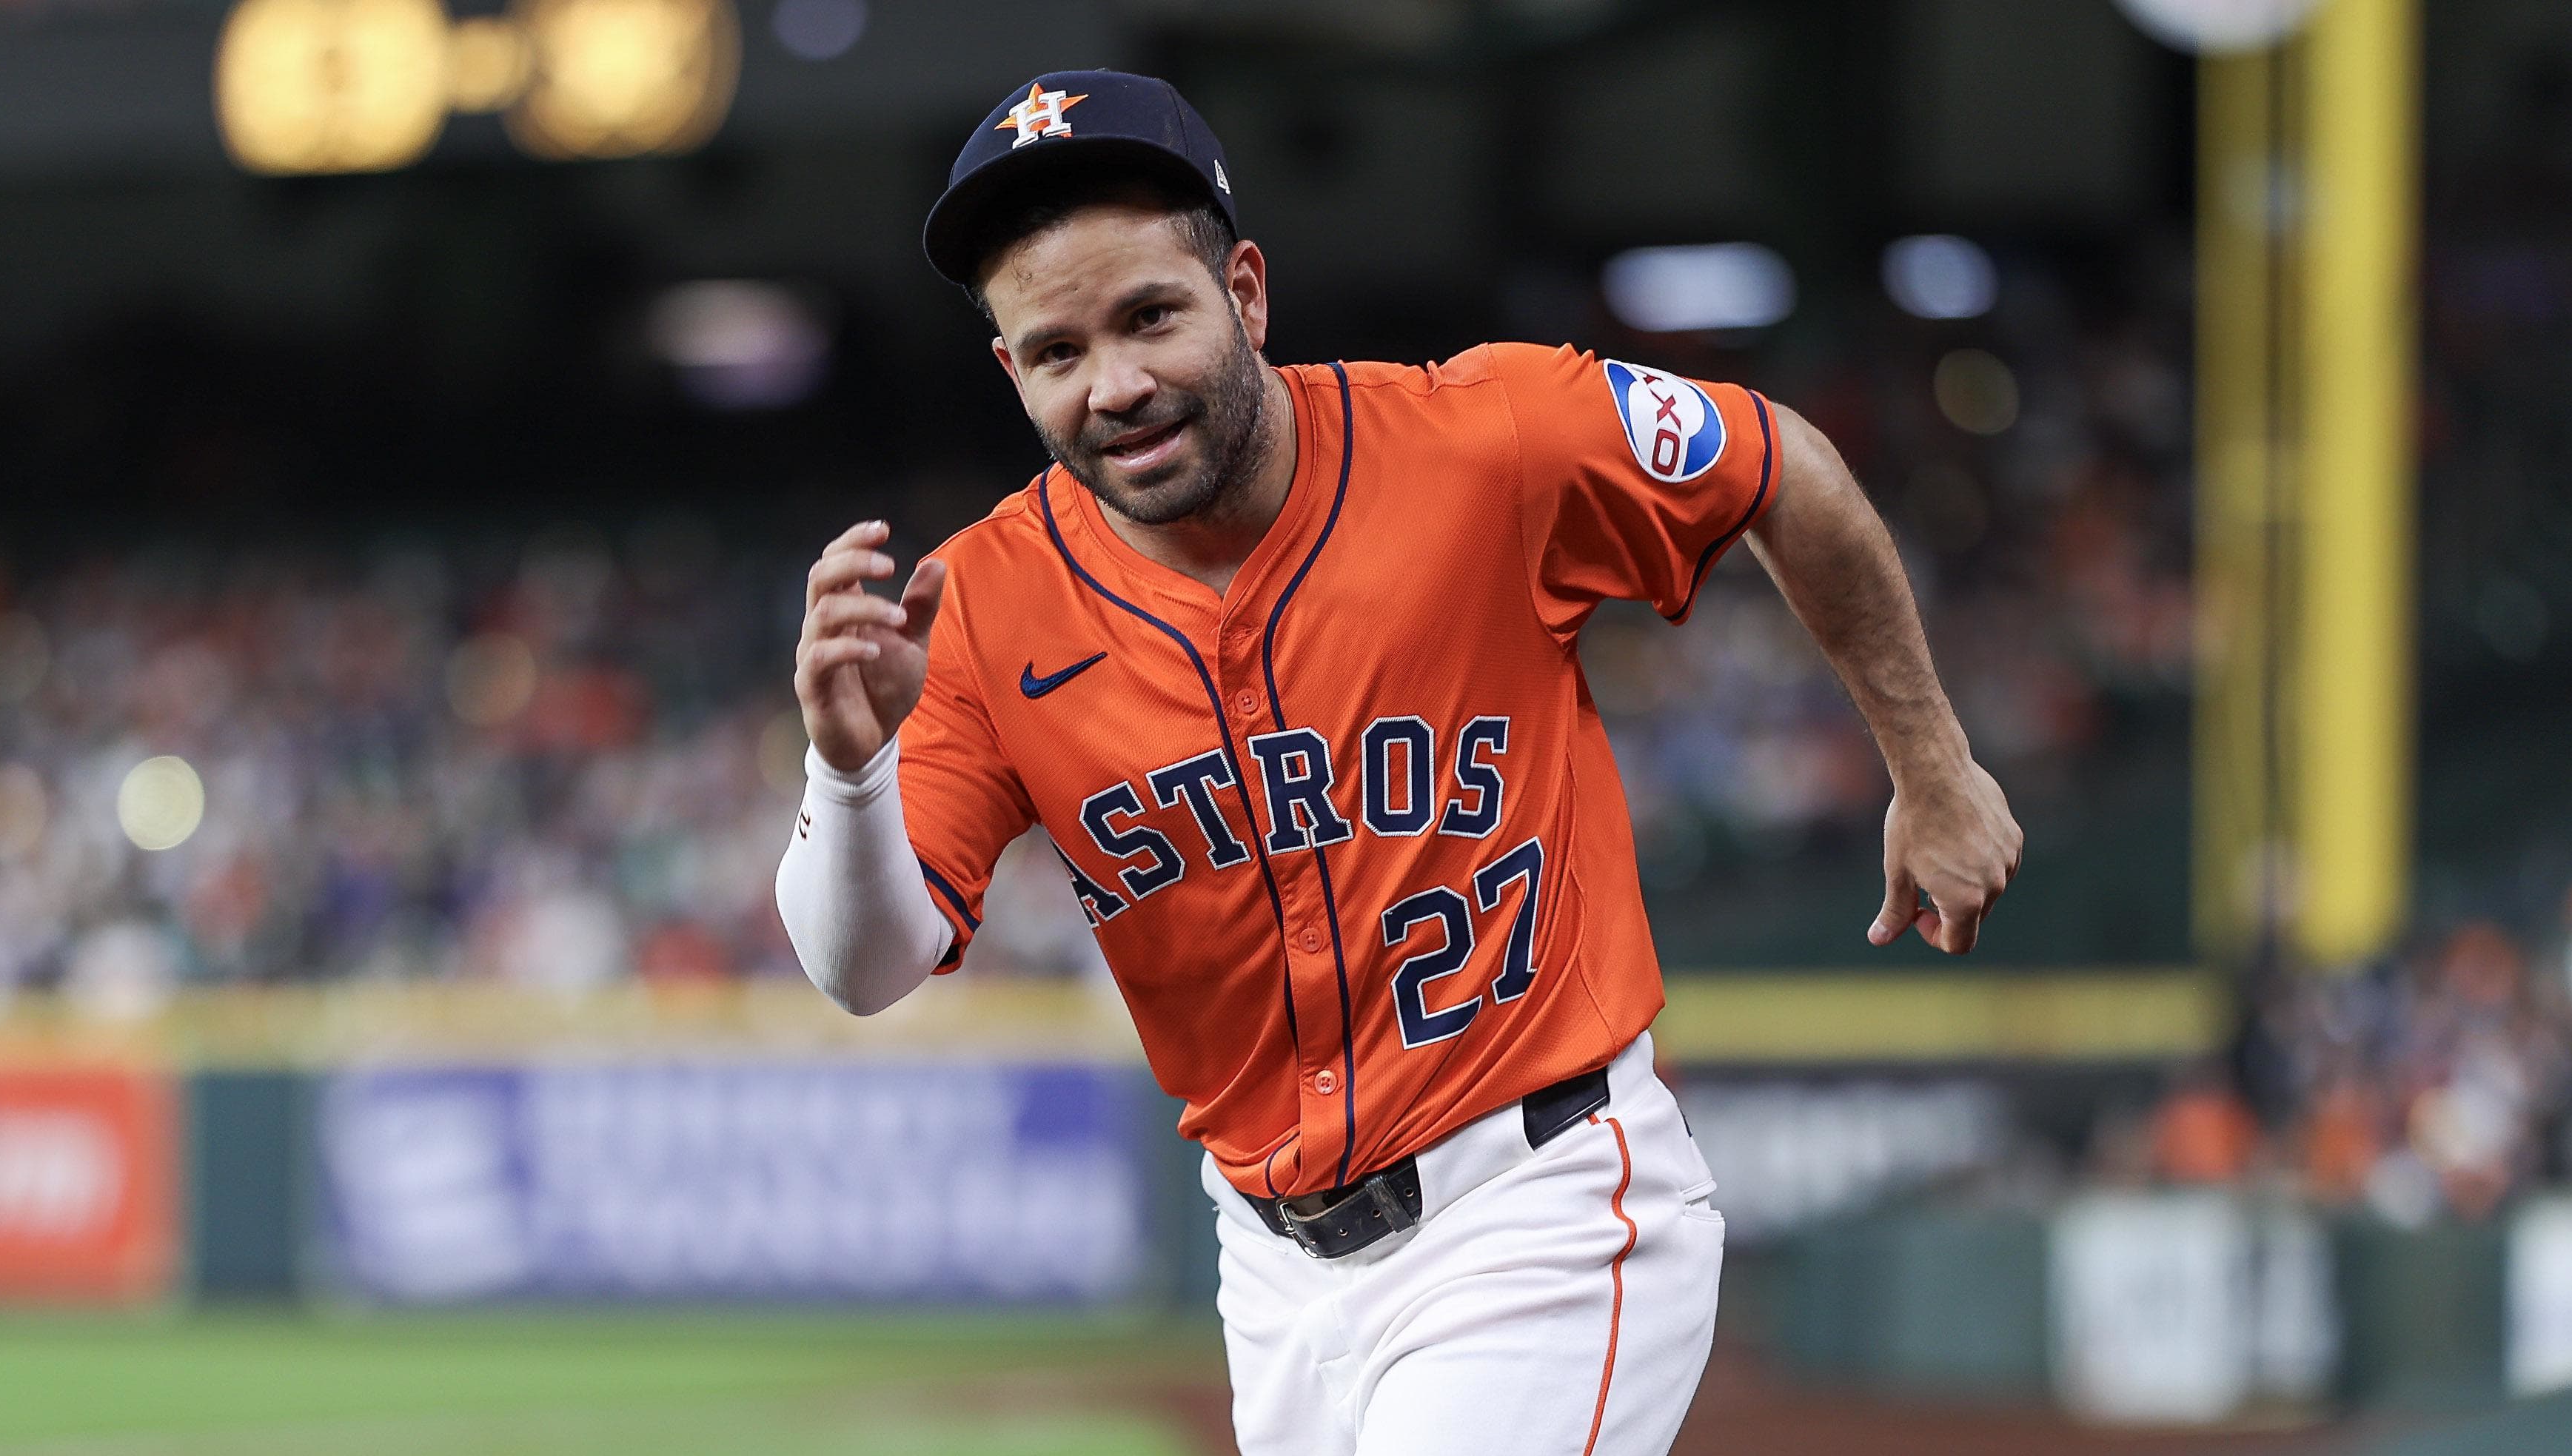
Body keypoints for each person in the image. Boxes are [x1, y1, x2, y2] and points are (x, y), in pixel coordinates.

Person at [777, 70, 2021, 1456]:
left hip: (1536, 1202)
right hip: (1273, 1276)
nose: (1116, 385)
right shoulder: (979, 607)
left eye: (1150, 316)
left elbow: (1773, 465)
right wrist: (846, 770)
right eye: (1058, 352)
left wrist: (1932, 763)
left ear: (1243, 293)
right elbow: (865, 966)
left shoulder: (1483, 439)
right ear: (1013, 374)